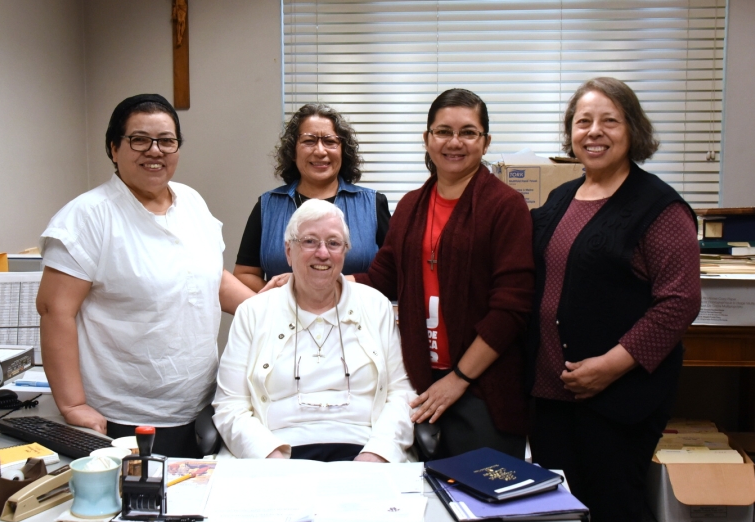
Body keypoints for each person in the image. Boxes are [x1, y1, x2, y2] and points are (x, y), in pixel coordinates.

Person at [526, 77, 701, 522]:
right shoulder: (560, 198)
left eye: (609, 120)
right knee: (560, 516)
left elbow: (679, 301)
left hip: (617, 397)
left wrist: (613, 364)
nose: (594, 132)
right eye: (583, 121)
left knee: (611, 518)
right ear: (570, 133)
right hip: (553, 395)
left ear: (632, 129)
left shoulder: (659, 207)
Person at [36, 93, 255, 458]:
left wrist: (269, 309)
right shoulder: (87, 218)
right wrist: (73, 404)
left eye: (167, 141)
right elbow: (55, 312)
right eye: (139, 139)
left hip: (200, 402)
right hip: (125, 414)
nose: (155, 151)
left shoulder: (191, 202)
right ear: (113, 148)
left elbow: (210, 279)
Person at [352, 89, 535, 460]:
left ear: (485, 142)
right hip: (419, 377)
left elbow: (511, 309)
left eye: (468, 132)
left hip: (483, 383)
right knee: (418, 495)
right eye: (443, 131)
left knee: (482, 496)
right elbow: (381, 278)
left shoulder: (505, 206)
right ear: (427, 139)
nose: (455, 142)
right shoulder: (409, 206)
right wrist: (315, 282)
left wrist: (460, 378)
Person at [213, 200, 415, 462]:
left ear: (345, 251)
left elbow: (401, 394)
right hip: (278, 451)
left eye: (333, 243)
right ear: (288, 251)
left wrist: (377, 454)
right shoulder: (253, 312)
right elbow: (230, 405)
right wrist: (270, 456)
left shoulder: (376, 305)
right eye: (309, 241)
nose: (323, 253)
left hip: (364, 448)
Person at [233, 104, 391, 291]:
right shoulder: (268, 206)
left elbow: (394, 274)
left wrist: (326, 284)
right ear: (293, 151)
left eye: (330, 141)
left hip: (357, 318)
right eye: (309, 141)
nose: (320, 151)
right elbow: (245, 274)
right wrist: (288, 297)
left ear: (343, 150)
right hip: (287, 317)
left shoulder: (373, 205)